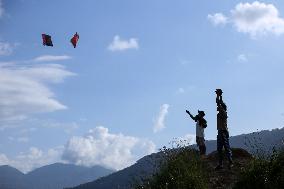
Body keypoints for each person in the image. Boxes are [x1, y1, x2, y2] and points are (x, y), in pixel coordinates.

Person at [215, 89, 233, 170]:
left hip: (223, 132)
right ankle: (221, 164)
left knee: (226, 148)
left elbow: (218, 103)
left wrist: (219, 96)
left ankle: (230, 162)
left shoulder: (223, 112)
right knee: (219, 149)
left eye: (219, 107)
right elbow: (218, 103)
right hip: (220, 132)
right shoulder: (220, 113)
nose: (217, 107)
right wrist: (219, 97)